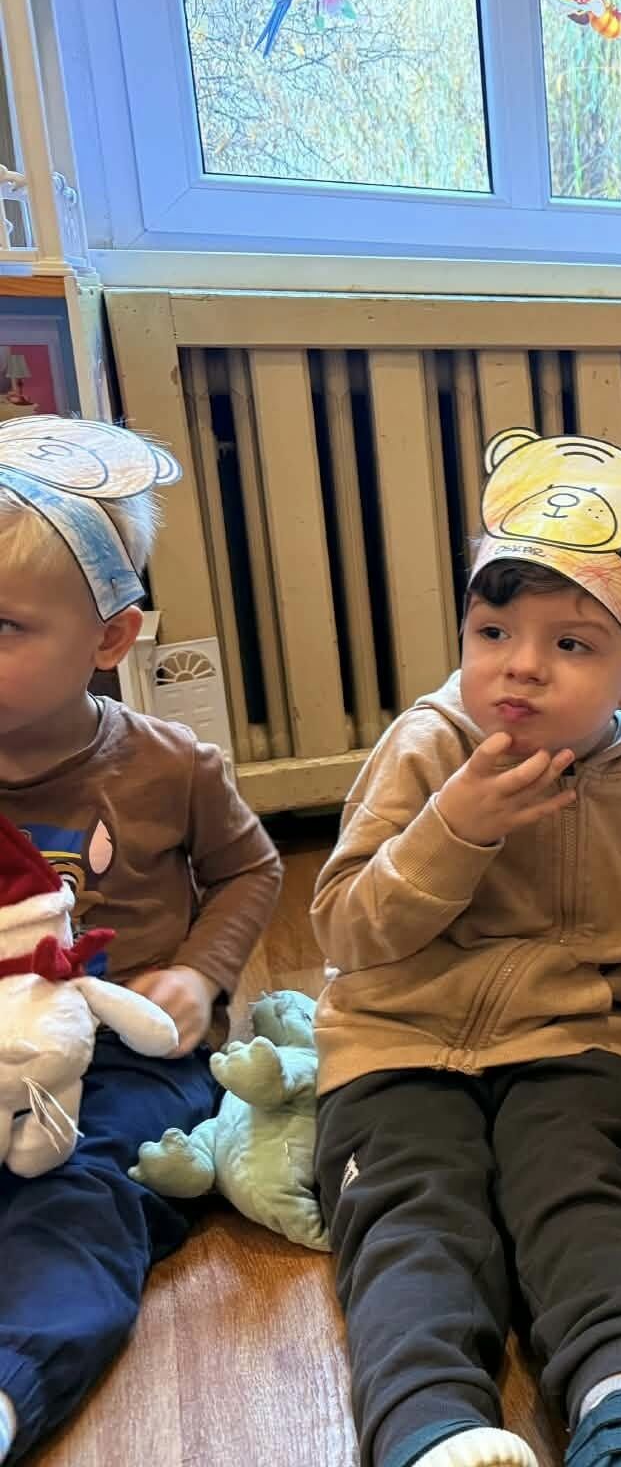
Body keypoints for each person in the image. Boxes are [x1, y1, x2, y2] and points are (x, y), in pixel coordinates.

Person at [311, 427, 621, 1467]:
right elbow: (345, 925)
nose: (520, 666)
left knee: (588, 1201)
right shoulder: (428, 743)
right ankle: (429, 1427)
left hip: (574, 1045)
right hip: (393, 1046)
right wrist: (455, 826)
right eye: (492, 631)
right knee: (413, 1221)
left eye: (572, 645)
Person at [0, 417, 282, 1463]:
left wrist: (202, 978)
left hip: (130, 1053)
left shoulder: (171, 764)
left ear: (110, 639)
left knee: (79, 1184)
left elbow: (252, 870)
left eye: (2, 626)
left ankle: (16, 1373)